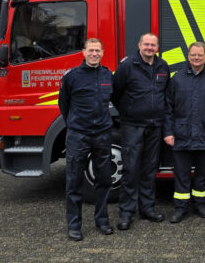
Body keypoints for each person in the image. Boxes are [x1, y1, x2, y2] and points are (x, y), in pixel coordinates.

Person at [164, 42, 205, 223]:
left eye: (200, 55)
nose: (196, 58)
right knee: (181, 175)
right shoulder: (177, 79)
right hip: (181, 135)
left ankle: (200, 204)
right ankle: (181, 208)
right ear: (188, 56)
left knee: (202, 174)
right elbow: (168, 108)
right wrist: (168, 132)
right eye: (193, 55)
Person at [58, 38, 114, 241]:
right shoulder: (72, 76)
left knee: (104, 180)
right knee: (74, 181)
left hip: (102, 134)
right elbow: (63, 104)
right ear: (83, 52)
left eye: (97, 50)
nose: (94, 54)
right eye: (90, 50)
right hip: (78, 135)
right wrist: (75, 124)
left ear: (102, 52)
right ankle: (74, 225)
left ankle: (102, 221)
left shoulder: (108, 74)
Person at [112, 33, 170, 230]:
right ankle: (126, 213)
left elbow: (165, 94)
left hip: (155, 125)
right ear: (139, 45)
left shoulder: (163, 66)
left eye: (153, 45)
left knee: (149, 169)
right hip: (133, 126)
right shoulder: (127, 66)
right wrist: (128, 112)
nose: (149, 48)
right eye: (146, 44)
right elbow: (115, 92)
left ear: (157, 47)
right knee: (131, 169)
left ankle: (147, 209)